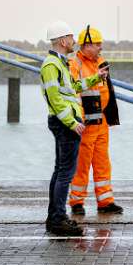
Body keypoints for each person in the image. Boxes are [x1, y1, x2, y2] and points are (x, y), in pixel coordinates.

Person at [40, 21, 109, 236]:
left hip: (65, 122)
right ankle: (58, 219)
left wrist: (96, 78)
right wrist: (72, 123)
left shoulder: (61, 63)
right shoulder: (51, 65)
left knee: (60, 171)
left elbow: (73, 88)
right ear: (62, 41)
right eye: (71, 38)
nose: (74, 42)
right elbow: (54, 99)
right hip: (64, 124)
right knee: (65, 174)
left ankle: (54, 217)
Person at [68, 26, 123, 215]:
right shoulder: (75, 64)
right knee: (81, 165)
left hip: (102, 123)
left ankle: (106, 202)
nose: (101, 48)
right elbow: (72, 91)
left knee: (102, 163)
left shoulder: (101, 62)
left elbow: (107, 91)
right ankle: (76, 202)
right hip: (85, 124)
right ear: (86, 45)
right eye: (97, 44)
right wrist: (77, 121)